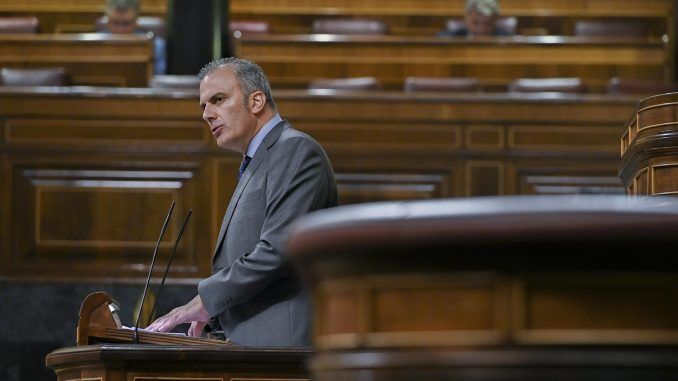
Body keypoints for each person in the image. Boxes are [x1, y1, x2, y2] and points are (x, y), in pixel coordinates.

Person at [146, 58, 339, 346]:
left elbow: (278, 250)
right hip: (253, 347)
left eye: (218, 100)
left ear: (256, 101)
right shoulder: (259, 161)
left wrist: (206, 300)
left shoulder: (295, 150)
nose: (207, 114)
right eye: (203, 106)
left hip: (281, 348)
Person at [103, 0, 166, 74]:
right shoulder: (94, 45)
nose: (121, 30)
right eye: (115, 23)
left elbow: (159, 77)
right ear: (108, 22)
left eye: (126, 23)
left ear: (136, 22)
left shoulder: (156, 46)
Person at [439, 0, 509, 37]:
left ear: (495, 21)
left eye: (488, 24)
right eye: (475, 22)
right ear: (466, 18)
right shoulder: (451, 38)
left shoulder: (508, 41)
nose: (481, 30)